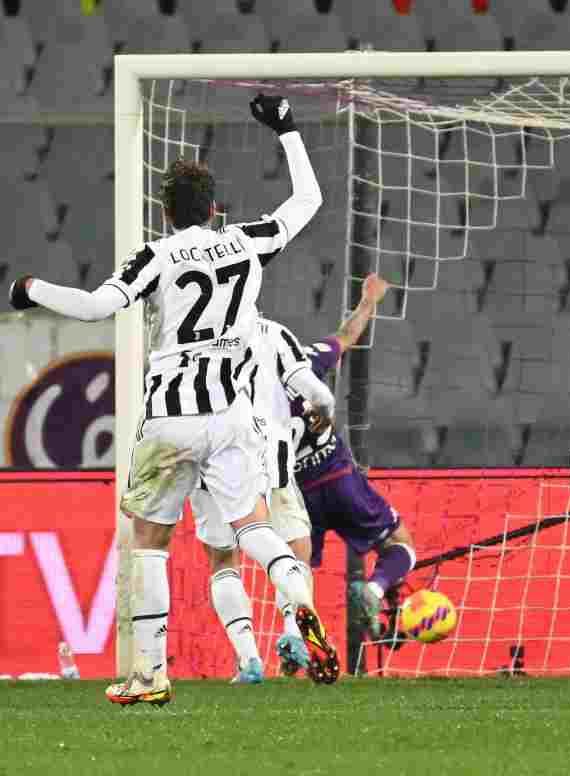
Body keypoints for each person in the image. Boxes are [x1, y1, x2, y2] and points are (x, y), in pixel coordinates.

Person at [7, 95, 339, 705]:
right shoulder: (246, 242)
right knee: (252, 527)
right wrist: (286, 126)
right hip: (234, 415)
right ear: (214, 209)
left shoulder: (156, 256)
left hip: (171, 414)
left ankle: (150, 675)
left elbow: (96, 306)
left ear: (166, 211)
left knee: (149, 540)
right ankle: (297, 596)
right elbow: (307, 203)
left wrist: (32, 289)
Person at [192, 273, 392, 680]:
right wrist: (368, 303)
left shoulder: (190, 342)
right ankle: (295, 631)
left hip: (209, 458)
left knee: (222, 560)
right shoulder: (277, 338)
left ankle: (248, 660)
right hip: (272, 459)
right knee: (294, 551)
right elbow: (333, 362)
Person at [287, 275, 416, 642]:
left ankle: (297, 645)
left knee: (296, 573)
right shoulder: (304, 361)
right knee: (400, 543)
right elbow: (346, 336)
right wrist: (368, 300)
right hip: (339, 478)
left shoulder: (248, 388)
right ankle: (373, 590)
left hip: (297, 494)